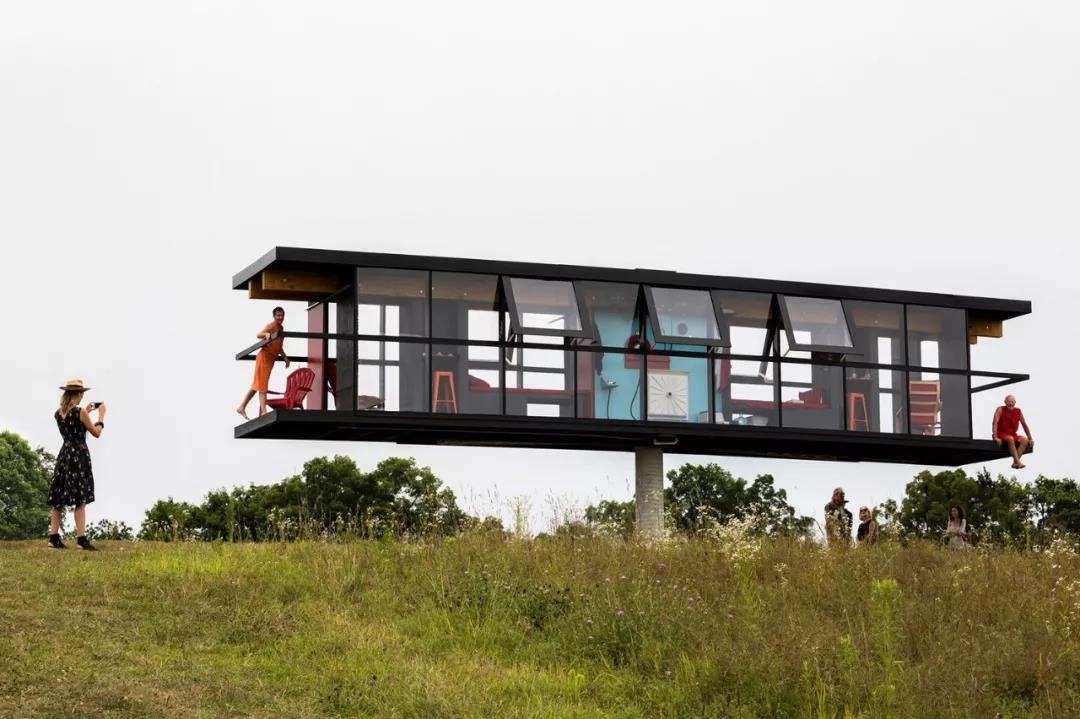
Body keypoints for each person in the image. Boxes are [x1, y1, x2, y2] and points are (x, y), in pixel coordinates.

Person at [47, 379, 105, 550]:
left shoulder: (58, 413)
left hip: (64, 455)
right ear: (78, 394)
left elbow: (73, 423)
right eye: (82, 393)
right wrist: (101, 416)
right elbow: (96, 433)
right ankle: (81, 540)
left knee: (58, 498)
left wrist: (86, 411)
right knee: (80, 498)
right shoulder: (80, 412)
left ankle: (53, 538)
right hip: (78, 456)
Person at [236, 306, 290, 419]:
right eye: (278, 315)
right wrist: (265, 335)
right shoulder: (271, 326)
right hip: (264, 357)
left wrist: (285, 357)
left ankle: (242, 406)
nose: (280, 317)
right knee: (262, 385)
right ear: (274, 316)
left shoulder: (281, 328)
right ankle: (264, 412)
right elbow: (259, 334)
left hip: (271, 359)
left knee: (258, 384)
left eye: (282, 315)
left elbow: (279, 346)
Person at [992, 394, 1033, 469]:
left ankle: (1015, 463)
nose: (1010, 404)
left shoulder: (1018, 411)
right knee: (1010, 439)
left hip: (1013, 434)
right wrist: (995, 437)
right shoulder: (1000, 409)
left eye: (1012, 402)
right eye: (1009, 402)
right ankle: (1018, 462)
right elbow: (995, 423)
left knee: (1025, 440)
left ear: (1015, 402)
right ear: (1005, 402)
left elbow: (1024, 424)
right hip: (1001, 433)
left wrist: (1030, 438)